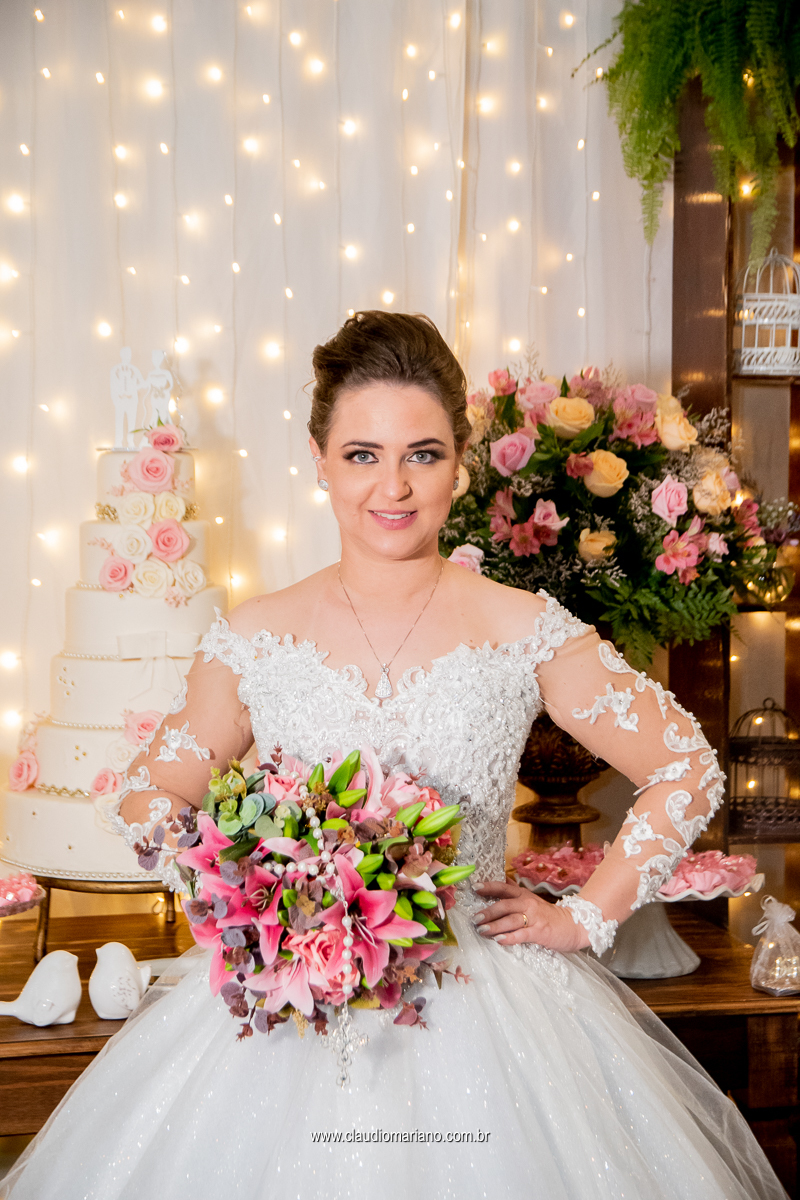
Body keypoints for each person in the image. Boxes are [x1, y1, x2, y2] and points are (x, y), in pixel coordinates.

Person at [4, 312, 786, 1200]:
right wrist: (253, 893)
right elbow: (150, 797)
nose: (394, 486)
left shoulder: (523, 627)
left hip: (488, 1000)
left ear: (461, 461)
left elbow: (686, 767)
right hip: (290, 1011)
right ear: (319, 460)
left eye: (423, 454)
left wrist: (586, 917)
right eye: (362, 455)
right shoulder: (254, 635)